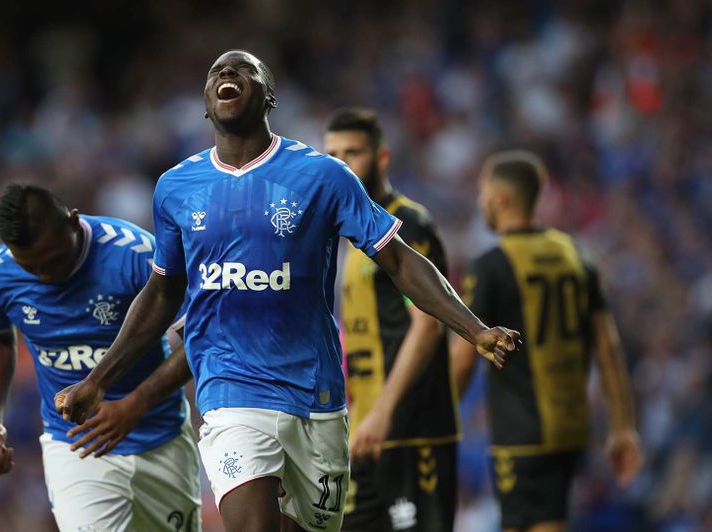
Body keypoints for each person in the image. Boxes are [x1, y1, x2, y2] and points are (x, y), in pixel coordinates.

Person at [57, 49, 519, 532]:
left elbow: (399, 260)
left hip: (315, 397)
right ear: (207, 105)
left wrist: (475, 329)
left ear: (269, 96)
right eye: (217, 71)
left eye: (244, 68)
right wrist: (99, 380)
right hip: (230, 392)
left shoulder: (322, 176)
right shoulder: (176, 187)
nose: (227, 72)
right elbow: (162, 291)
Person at [0, 183, 200, 531]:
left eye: (53, 260)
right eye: (31, 268)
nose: (45, 276)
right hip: (76, 446)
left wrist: (136, 403)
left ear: (74, 222)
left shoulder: (136, 254)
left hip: (160, 436)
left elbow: (199, 339)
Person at [452, 151, 642, 532]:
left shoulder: (491, 265)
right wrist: (623, 427)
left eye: (483, 193)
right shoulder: (576, 256)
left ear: (501, 198)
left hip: (522, 428)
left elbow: (463, 358)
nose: (480, 201)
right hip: (570, 427)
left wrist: (434, 419)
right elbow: (608, 347)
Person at [325, 108, 459, 531]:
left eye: (353, 153)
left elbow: (427, 324)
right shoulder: (350, 234)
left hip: (411, 431)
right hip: (366, 431)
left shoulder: (407, 224)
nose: (342, 165)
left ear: (381, 157)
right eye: (332, 155)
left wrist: (383, 411)